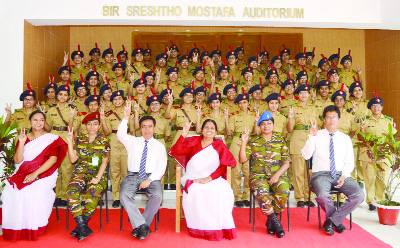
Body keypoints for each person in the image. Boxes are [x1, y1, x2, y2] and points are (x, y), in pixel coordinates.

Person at [2, 110, 67, 241]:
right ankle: (17, 226)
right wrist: (21, 143)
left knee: (34, 192)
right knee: (11, 191)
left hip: (45, 173)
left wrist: (35, 174)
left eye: (41, 120)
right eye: (35, 120)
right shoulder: (22, 137)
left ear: (45, 122)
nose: (38, 122)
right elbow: (17, 161)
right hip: (23, 171)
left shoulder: (51, 139)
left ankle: (34, 226)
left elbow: (53, 160)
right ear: (30, 122)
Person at [169, 119, 237, 241]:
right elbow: (177, 151)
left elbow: (224, 165)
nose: (209, 130)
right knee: (197, 190)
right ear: (202, 130)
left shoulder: (219, 145)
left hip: (212, 178)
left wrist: (208, 178)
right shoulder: (194, 142)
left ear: (216, 132)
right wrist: (183, 135)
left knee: (220, 190)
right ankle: (199, 226)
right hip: (193, 177)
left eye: (212, 128)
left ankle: (215, 226)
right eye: (206, 127)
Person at [302, 105, 365, 235]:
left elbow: (349, 162)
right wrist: (311, 137)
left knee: (359, 195)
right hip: (321, 175)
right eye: (328, 118)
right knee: (323, 196)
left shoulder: (345, 138)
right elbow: (306, 156)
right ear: (324, 120)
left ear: (339, 119)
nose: (331, 120)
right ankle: (337, 221)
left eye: (334, 117)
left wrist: (345, 175)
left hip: (340, 175)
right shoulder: (316, 135)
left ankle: (331, 221)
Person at [118, 101, 167, 240]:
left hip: (152, 177)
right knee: (124, 195)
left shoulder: (159, 146)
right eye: (144, 127)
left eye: (149, 127)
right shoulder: (133, 141)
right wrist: (126, 118)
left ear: (154, 128)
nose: (147, 130)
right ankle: (143, 226)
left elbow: (162, 166)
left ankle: (140, 225)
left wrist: (149, 180)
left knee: (157, 195)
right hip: (132, 176)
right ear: (140, 128)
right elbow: (120, 135)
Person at [239, 111, 290, 238]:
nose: (266, 126)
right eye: (263, 124)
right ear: (259, 126)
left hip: (277, 175)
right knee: (262, 193)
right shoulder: (253, 140)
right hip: (258, 176)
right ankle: (276, 222)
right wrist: (244, 142)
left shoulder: (280, 140)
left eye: (269, 123)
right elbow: (242, 160)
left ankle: (270, 221)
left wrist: (277, 175)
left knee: (284, 192)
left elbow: (286, 163)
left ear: (273, 125)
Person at [66, 111, 110, 241]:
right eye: (89, 124)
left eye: (95, 124)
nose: (92, 127)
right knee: (71, 192)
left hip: (98, 173)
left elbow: (105, 161)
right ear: (85, 126)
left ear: (99, 126)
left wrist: (97, 178)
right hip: (81, 172)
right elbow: (73, 159)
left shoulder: (104, 141)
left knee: (93, 191)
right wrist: (69, 142)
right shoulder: (80, 139)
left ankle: (81, 226)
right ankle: (82, 226)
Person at [359, 92, 396, 211]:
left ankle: (380, 199)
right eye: (374, 106)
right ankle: (371, 201)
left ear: (382, 107)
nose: (376, 108)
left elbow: (393, 136)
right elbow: (361, 137)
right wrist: (362, 128)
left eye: (379, 106)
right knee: (370, 177)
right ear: (370, 108)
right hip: (369, 152)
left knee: (383, 176)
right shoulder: (365, 121)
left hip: (384, 153)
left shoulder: (388, 121)